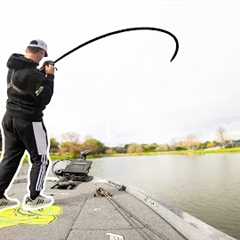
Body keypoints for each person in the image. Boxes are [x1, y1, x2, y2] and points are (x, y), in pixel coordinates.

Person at [0, 39, 55, 211]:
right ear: (39, 53)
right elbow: (43, 98)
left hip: (9, 119)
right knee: (41, 158)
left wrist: (41, 75)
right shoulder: (33, 74)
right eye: (42, 55)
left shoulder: (14, 67)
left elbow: (28, 84)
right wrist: (49, 77)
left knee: (10, 159)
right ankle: (34, 198)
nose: (41, 59)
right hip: (31, 121)